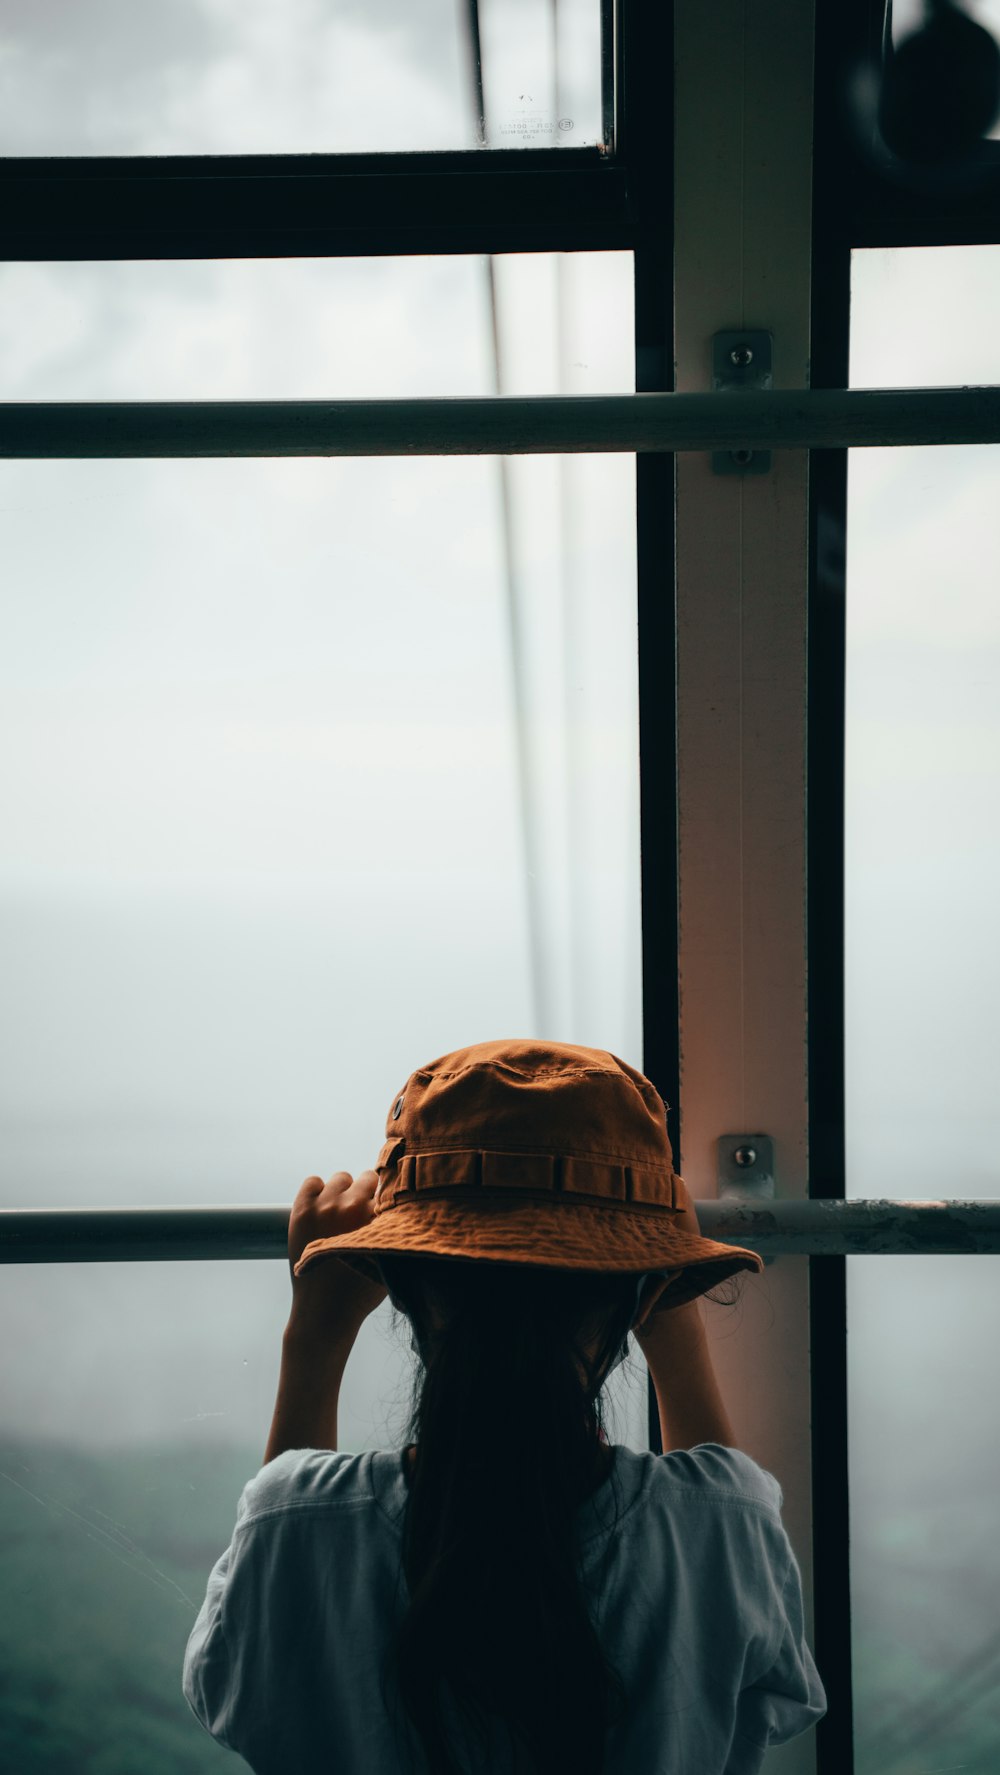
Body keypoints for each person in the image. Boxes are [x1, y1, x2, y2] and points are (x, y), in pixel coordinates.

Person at [182, 1037, 827, 1774]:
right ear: (644, 1292)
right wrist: (664, 1299)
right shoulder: (720, 1523)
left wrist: (315, 1333)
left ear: (399, 1282)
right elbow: (728, 1551)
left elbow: (253, 1670)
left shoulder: (299, 1522)